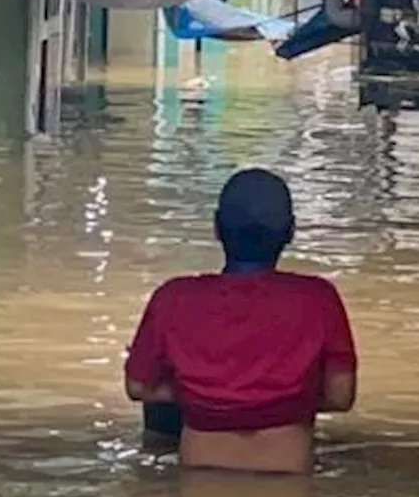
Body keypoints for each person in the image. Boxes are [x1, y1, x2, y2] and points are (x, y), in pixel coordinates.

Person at [123, 168, 358, 474]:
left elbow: (137, 386)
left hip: (199, 474)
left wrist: (197, 394)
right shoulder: (317, 299)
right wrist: (278, 399)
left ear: (217, 228)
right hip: (287, 475)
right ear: (290, 231)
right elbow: (341, 396)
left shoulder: (174, 298)